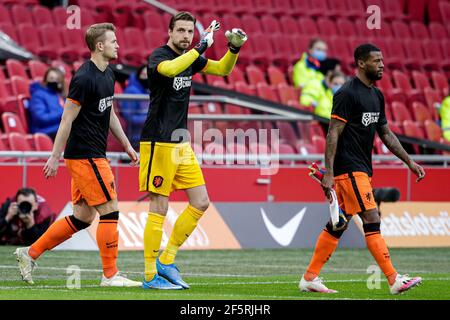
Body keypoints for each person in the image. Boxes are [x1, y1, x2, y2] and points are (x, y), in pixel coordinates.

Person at [14, 23, 141, 287]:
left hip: (93, 154)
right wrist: (54, 156)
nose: (118, 45)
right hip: (85, 155)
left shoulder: (108, 75)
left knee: (83, 217)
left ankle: (30, 253)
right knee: (110, 210)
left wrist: (127, 145)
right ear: (99, 46)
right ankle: (110, 275)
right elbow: (66, 119)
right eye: (113, 41)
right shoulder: (84, 78)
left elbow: (110, 114)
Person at [299, 44, 426, 295]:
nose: (382, 65)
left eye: (382, 60)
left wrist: (409, 161)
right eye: (376, 60)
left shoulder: (376, 95)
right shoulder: (346, 93)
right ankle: (393, 280)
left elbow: (386, 134)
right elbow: (333, 132)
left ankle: (309, 278)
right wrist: (329, 172)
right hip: (349, 168)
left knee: (339, 224)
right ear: (360, 63)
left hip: (363, 169)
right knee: (372, 218)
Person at [139, 12, 247, 290]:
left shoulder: (191, 57)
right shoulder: (159, 57)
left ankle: (167, 259)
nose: (187, 36)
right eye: (182, 31)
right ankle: (150, 275)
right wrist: (201, 45)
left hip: (180, 143)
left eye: (190, 32)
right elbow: (172, 70)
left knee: (200, 201)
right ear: (170, 32)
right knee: (159, 206)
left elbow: (223, 70)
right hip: (158, 142)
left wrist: (233, 48)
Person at [28, 67, 65, 139]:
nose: (54, 81)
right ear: (45, 80)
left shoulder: (59, 95)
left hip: (57, 128)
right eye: (51, 78)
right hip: (43, 131)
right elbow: (41, 118)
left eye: (57, 79)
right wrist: (63, 112)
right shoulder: (38, 95)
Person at [121, 64, 149, 148]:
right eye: (143, 75)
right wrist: (150, 118)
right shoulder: (131, 91)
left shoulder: (147, 90)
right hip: (134, 138)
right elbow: (129, 117)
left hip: (146, 135)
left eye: (148, 75)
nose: (146, 78)